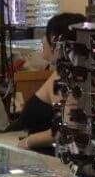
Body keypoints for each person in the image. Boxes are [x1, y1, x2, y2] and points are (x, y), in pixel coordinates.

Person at [13, 12, 84, 152]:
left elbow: (65, 129)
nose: (43, 39)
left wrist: (27, 142)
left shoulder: (64, 78)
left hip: (41, 156)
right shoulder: (64, 74)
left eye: (47, 34)